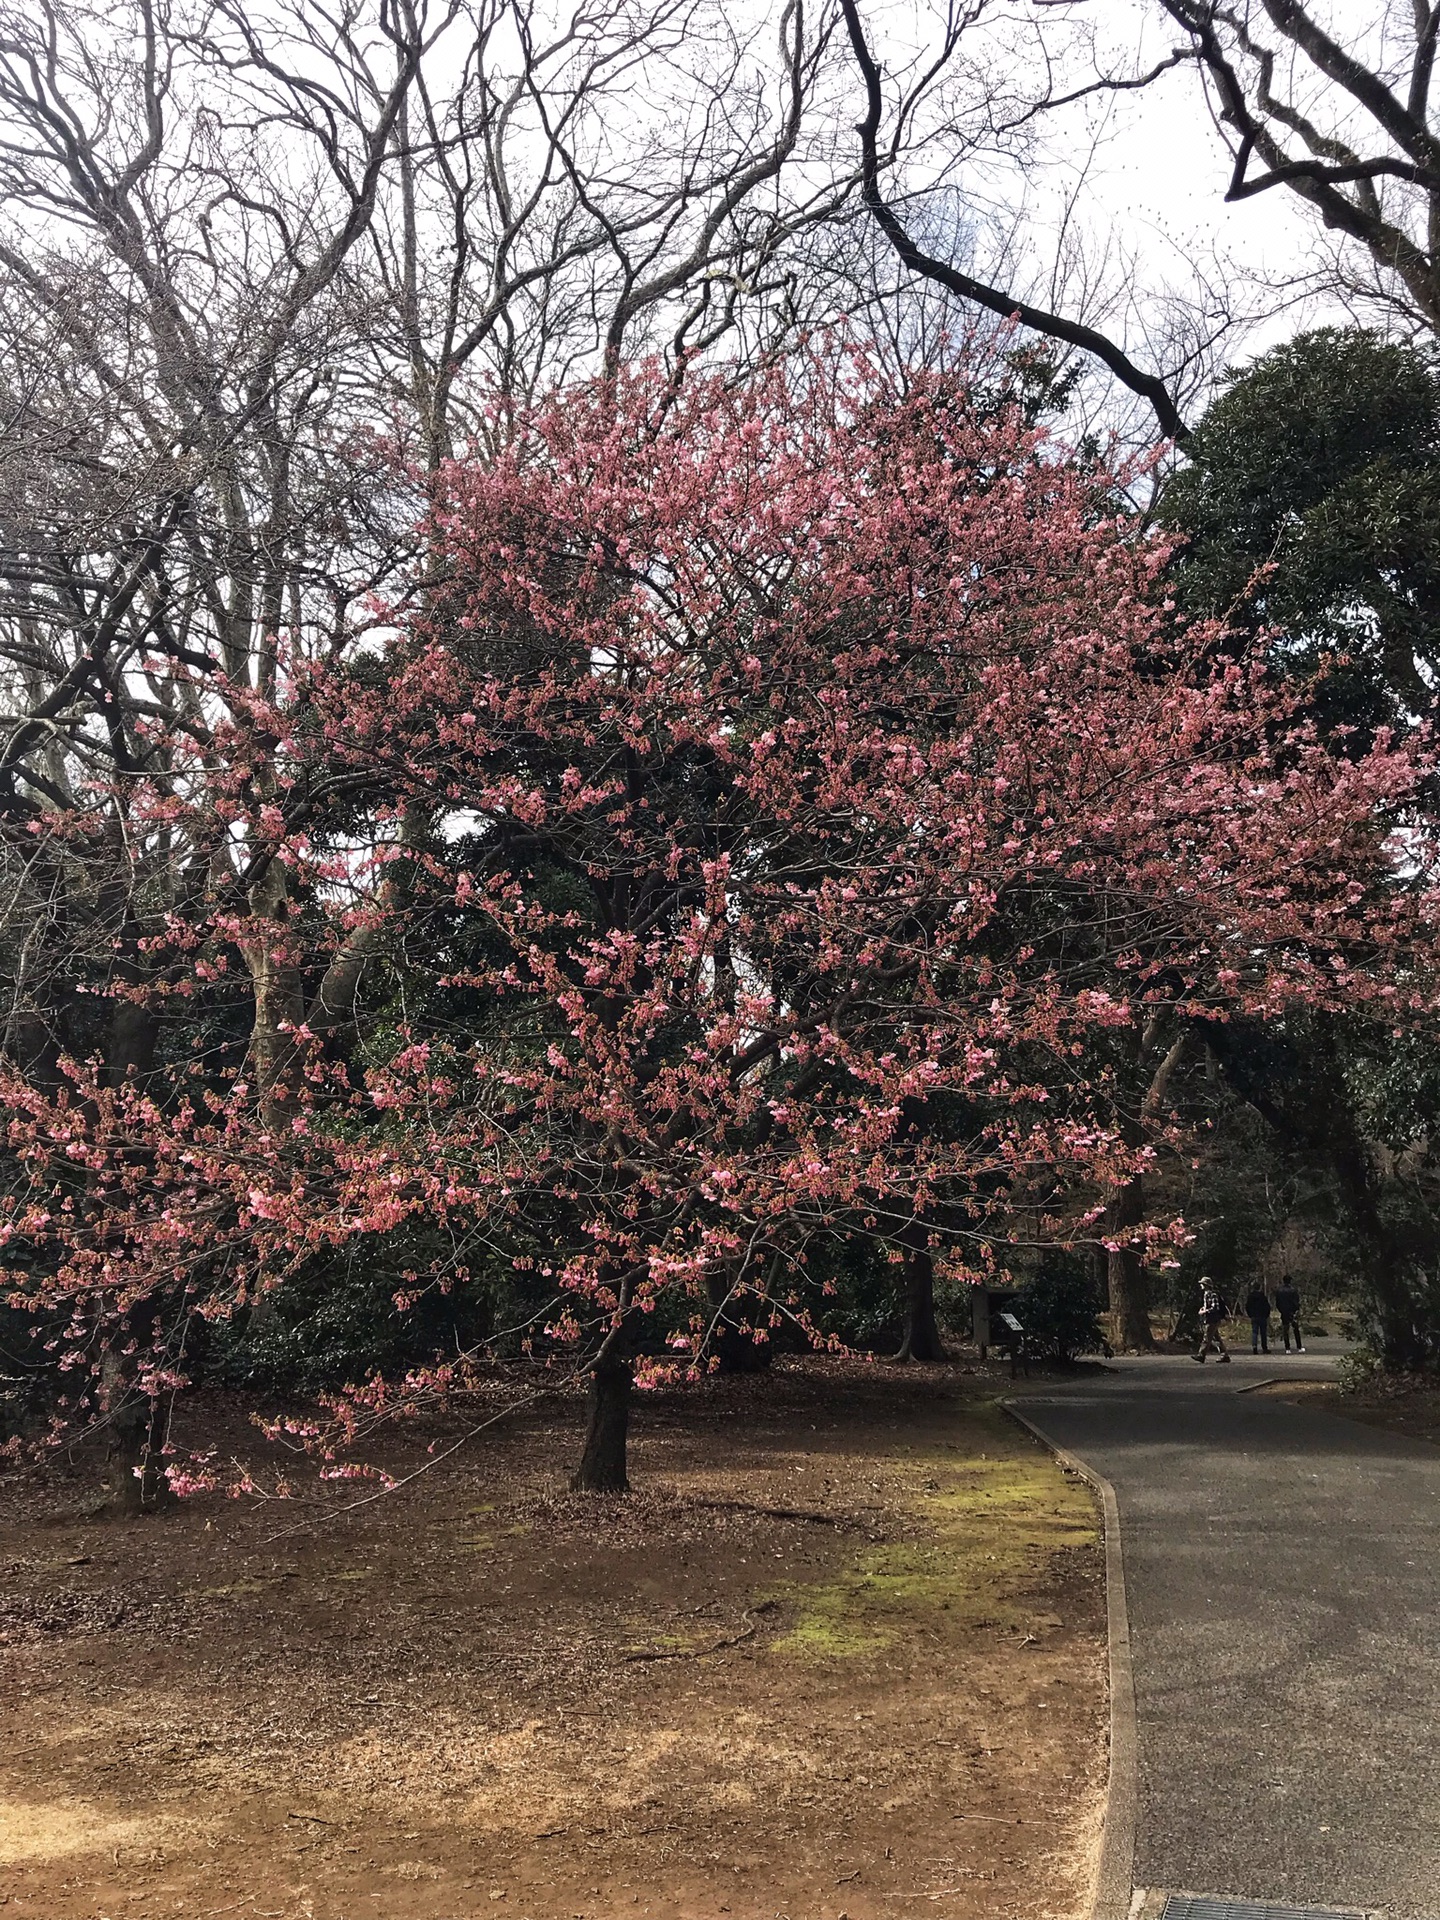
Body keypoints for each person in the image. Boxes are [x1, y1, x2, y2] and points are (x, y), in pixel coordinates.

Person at [1193, 1277, 1232, 1363]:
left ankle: (1201, 1355)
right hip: (1209, 1319)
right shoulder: (1206, 1294)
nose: (1201, 1285)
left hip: (1213, 1319)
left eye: (1202, 1284)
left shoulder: (1212, 1294)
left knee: (1206, 1338)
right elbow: (1208, 1305)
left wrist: (1204, 1312)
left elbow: (1215, 1307)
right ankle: (1224, 1355)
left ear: (1206, 1285)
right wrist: (1203, 1309)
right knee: (1216, 1338)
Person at [1274, 1274, 1305, 1352]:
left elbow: (1277, 1303)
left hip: (1284, 1312)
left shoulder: (1279, 1291)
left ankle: (1287, 1348)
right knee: (1296, 1329)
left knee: (1285, 1330)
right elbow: (1296, 1302)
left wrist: (1281, 1310)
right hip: (1292, 1312)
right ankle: (1299, 1347)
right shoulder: (1293, 1290)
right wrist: (1296, 1310)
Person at [1244, 1281, 1272, 1355]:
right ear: (1259, 1287)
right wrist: (1266, 1315)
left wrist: (1250, 1314)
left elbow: (1247, 1306)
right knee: (1263, 1332)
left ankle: (1254, 1347)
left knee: (1254, 1332)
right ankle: (1264, 1347)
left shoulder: (1250, 1296)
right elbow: (1267, 1306)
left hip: (1254, 1316)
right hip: (1262, 1316)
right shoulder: (1262, 1296)